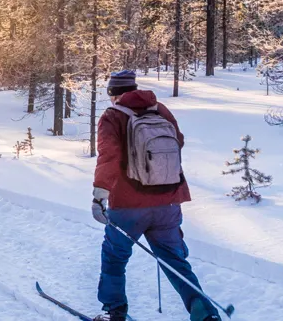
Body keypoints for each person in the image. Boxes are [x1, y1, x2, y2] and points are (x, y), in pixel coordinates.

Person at [90, 70, 220, 321]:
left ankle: (113, 312)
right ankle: (204, 313)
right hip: (168, 200)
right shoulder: (160, 110)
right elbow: (178, 141)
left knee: (114, 257)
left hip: (128, 205)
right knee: (175, 261)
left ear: (113, 94)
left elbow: (109, 157)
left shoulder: (112, 116)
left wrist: (99, 197)